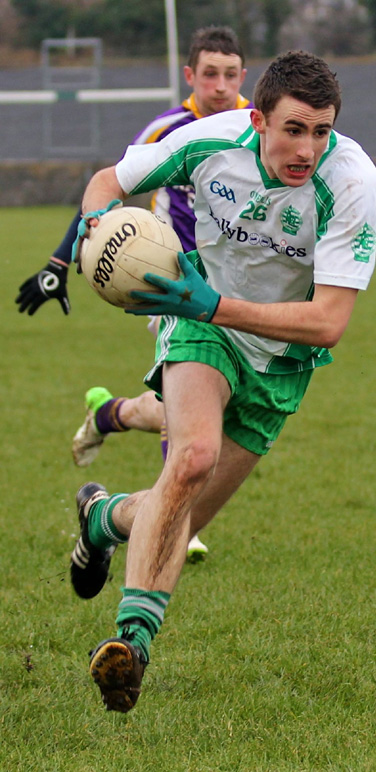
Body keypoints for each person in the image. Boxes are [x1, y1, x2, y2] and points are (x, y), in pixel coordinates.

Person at [70, 48, 376, 713]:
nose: (308, 147)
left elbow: (327, 323)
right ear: (258, 117)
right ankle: (132, 646)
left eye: (322, 130)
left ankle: (102, 517)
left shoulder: (353, 183)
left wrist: (212, 305)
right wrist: (95, 230)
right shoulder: (210, 140)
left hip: (279, 360)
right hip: (199, 327)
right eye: (294, 128)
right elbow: (107, 181)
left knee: (173, 519)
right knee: (192, 459)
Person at [15, 25, 252, 562]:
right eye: (209, 73)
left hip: (234, 291)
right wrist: (59, 261)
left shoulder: (255, 127)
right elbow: (108, 190)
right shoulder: (169, 129)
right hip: (168, 286)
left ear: (244, 76)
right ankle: (178, 523)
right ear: (190, 76)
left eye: (230, 74)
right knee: (190, 414)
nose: (220, 85)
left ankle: (108, 414)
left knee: (209, 409)